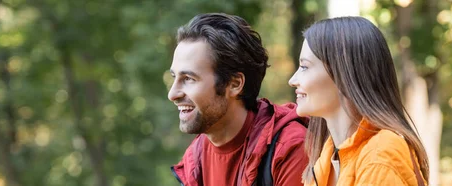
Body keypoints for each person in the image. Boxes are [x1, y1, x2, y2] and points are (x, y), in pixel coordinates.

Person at [168, 13, 308, 186]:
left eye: (189, 78)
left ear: (234, 84)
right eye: (174, 77)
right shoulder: (194, 160)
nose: (173, 94)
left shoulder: (288, 149)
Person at [288, 16, 429, 186]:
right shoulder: (327, 159)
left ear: (343, 73)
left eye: (304, 67)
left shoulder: (380, 155)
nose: (293, 80)